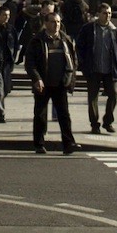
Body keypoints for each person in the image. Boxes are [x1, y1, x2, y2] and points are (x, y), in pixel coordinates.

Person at [24, 10, 81, 154]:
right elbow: (30, 63)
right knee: (40, 115)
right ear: (45, 23)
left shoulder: (65, 39)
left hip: (60, 83)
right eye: (52, 22)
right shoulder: (37, 40)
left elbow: (73, 61)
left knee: (64, 115)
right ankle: (39, 143)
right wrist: (36, 78)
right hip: (43, 83)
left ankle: (69, 144)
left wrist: (70, 80)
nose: (56, 25)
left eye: (58, 22)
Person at [75, 3, 117, 133]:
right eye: (104, 13)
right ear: (98, 14)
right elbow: (79, 46)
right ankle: (94, 124)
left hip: (110, 69)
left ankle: (108, 121)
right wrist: (83, 62)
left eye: (109, 13)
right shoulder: (89, 29)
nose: (107, 16)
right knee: (92, 97)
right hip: (93, 68)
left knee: (113, 94)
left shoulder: (114, 31)